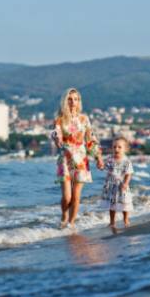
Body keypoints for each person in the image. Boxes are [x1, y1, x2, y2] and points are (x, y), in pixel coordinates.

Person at [51, 88, 103, 229]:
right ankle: (64, 215)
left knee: (76, 196)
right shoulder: (59, 119)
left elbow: (90, 139)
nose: (73, 102)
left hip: (81, 160)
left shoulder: (84, 119)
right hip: (65, 160)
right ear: (65, 101)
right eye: (70, 99)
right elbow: (57, 135)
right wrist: (57, 141)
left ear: (79, 101)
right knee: (67, 197)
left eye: (75, 99)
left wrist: (98, 157)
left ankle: (71, 224)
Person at [99, 136, 134, 229]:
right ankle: (112, 221)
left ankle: (126, 219)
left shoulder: (127, 161)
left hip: (122, 185)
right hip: (111, 185)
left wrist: (126, 183)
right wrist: (99, 163)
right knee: (112, 205)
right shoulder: (110, 159)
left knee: (125, 204)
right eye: (114, 147)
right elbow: (102, 167)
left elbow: (129, 174)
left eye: (119, 147)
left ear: (125, 149)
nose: (116, 149)